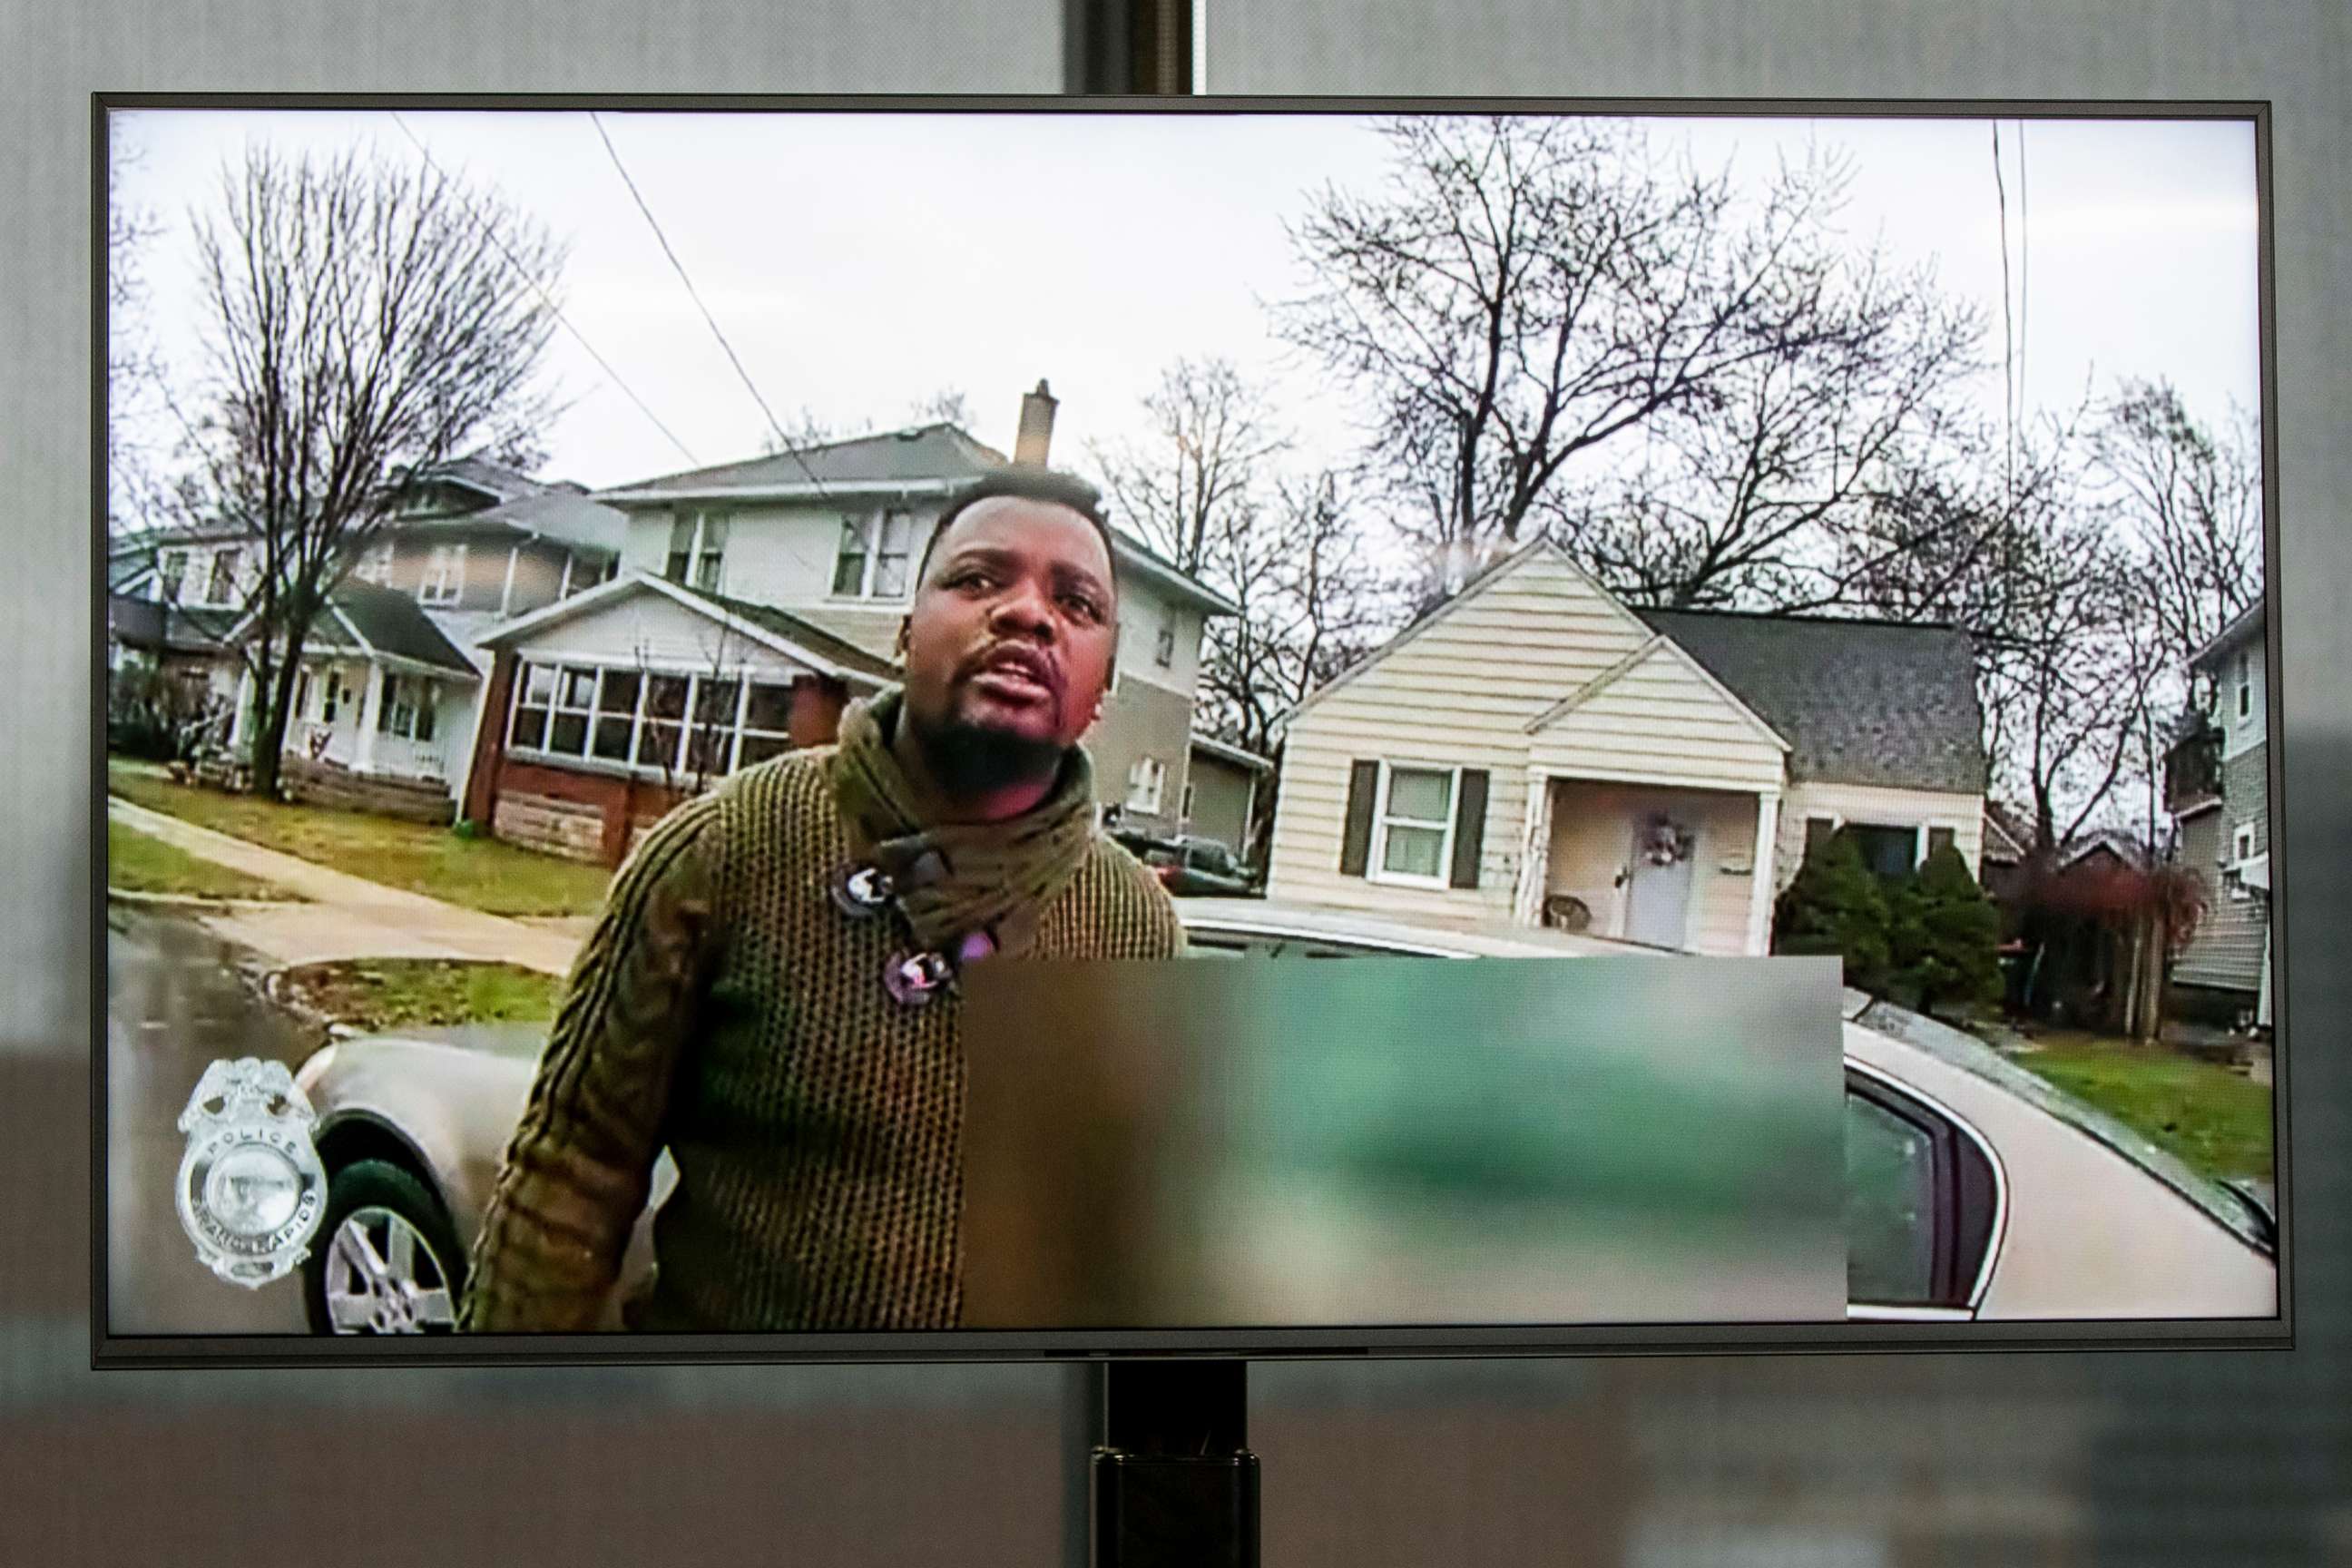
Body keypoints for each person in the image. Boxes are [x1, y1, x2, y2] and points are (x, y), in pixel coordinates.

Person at [456, 466, 1186, 1333]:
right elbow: (569, 1178)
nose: (1027, 613)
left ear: (1102, 691)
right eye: (978, 579)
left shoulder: (1139, 930)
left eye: (1077, 605)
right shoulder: (725, 847)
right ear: (906, 632)